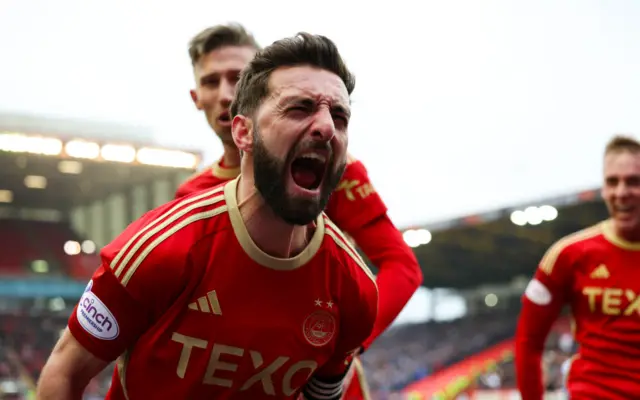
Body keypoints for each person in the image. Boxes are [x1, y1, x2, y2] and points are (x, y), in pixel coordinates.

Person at [36, 32, 379, 400]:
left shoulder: (354, 289)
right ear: (243, 132)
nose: (327, 127)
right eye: (299, 107)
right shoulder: (161, 248)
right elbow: (65, 370)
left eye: (339, 116)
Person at [179, 23, 423, 399]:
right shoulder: (189, 196)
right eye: (212, 82)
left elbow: (401, 267)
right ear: (196, 97)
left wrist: (343, 348)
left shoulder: (330, 170)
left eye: (238, 78)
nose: (227, 95)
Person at [515, 135, 640, 400]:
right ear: (603, 188)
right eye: (612, 182)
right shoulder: (568, 255)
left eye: (633, 181)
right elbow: (528, 342)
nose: (621, 192)